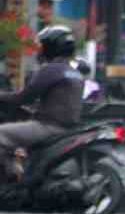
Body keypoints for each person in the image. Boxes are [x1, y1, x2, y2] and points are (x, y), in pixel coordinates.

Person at [0, 26, 83, 182]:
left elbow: (23, 97)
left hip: (48, 127)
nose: (40, 50)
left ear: (51, 47)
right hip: (66, 128)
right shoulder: (75, 73)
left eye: (43, 46)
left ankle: (12, 178)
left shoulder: (52, 69)